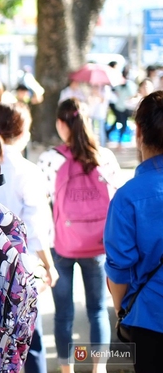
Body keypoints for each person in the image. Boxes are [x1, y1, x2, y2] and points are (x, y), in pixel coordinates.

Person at [37, 98, 121, 373]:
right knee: (97, 311)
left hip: (60, 244)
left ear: (62, 124)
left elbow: (40, 201)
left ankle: (67, 369)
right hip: (97, 245)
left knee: (64, 314)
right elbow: (118, 196)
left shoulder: (50, 159)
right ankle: (98, 369)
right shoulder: (104, 157)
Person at [0, 103, 58, 373]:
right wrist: (49, 266)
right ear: (23, 132)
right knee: (30, 341)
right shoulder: (26, 170)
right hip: (20, 269)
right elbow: (36, 229)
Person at [104, 90, 163, 373]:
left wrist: (121, 310)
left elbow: (119, 271)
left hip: (149, 321)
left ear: (138, 131)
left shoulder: (128, 197)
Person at [106, 68, 137, 148]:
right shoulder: (121, 83)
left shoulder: (128, 84)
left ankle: (109, 134)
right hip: (120, 107)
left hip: (124, 107)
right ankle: (118, 141)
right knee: (122, 123)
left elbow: (132, 94)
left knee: (119, 122)